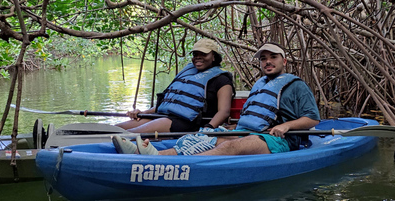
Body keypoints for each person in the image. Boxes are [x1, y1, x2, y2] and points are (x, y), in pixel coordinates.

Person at [114, 42, 320, 156]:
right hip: (251, 133)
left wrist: (286, 126)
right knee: (203, 138)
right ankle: (155, 157)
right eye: (264, 59)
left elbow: (313, 119)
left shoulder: (296, 86)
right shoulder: (261, 84)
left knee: (230, 147)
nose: (267, 62)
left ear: (283, 61)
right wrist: (228, 128)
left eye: (272, 58)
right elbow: (252, 118)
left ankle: (178, 168)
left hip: (280, 141)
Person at [114, 38, 234, 137]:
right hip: (165, 116)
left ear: (214, 56)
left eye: (203, 54)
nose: (198, 57)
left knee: (129, 134)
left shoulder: (222, 80)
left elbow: (224, 112)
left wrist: (208, 129)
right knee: (117, 129)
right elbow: (171, 103)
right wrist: (143, 113)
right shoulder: (189, 73)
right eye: (195, 54)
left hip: (189, 123)